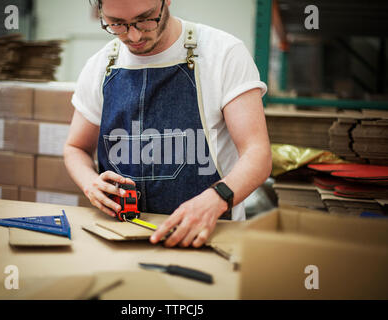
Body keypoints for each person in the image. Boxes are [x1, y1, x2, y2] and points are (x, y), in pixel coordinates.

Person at [64, 0, 272, 248]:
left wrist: (217, 198)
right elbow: (75, 148)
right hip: (118, 236)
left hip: (207, 237)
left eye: (145, 19)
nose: (134, 34)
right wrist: (91, 184)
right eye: (116, 24)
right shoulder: (101, 66)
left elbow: (257, 154)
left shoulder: (223, 53)